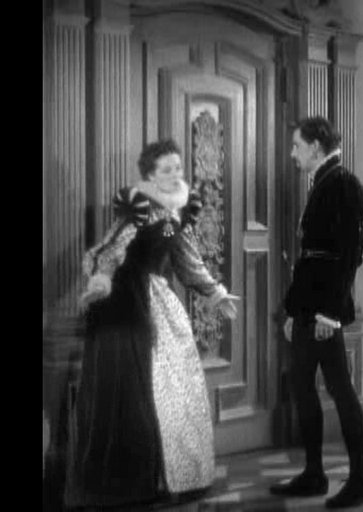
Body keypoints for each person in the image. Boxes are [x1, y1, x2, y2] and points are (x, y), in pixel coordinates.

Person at [64, 139, 239, 509]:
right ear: (150, 175)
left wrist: (214, 293)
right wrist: (100, 283)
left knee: (172, 384)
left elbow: (185, 258)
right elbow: (110, 252)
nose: (175, 174)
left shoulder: (176, 217)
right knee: (131, 389)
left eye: (178, 167)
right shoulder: (138, 210)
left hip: (155, 299)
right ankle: (131, 483)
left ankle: (168, 476)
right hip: (125, 306)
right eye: (166, 169)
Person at [269, 117, 363, 509]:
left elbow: (348, 254)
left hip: (325, 311)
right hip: (310, 307)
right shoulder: (324, 182)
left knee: (341, 390)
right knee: (302, 385)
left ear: (315, 146)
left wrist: (330, 314)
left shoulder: (341, 184)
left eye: (297, 146)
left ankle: (358, 480)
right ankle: (314, 473)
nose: (292, 154)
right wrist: (294, 310)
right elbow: (312, 258)